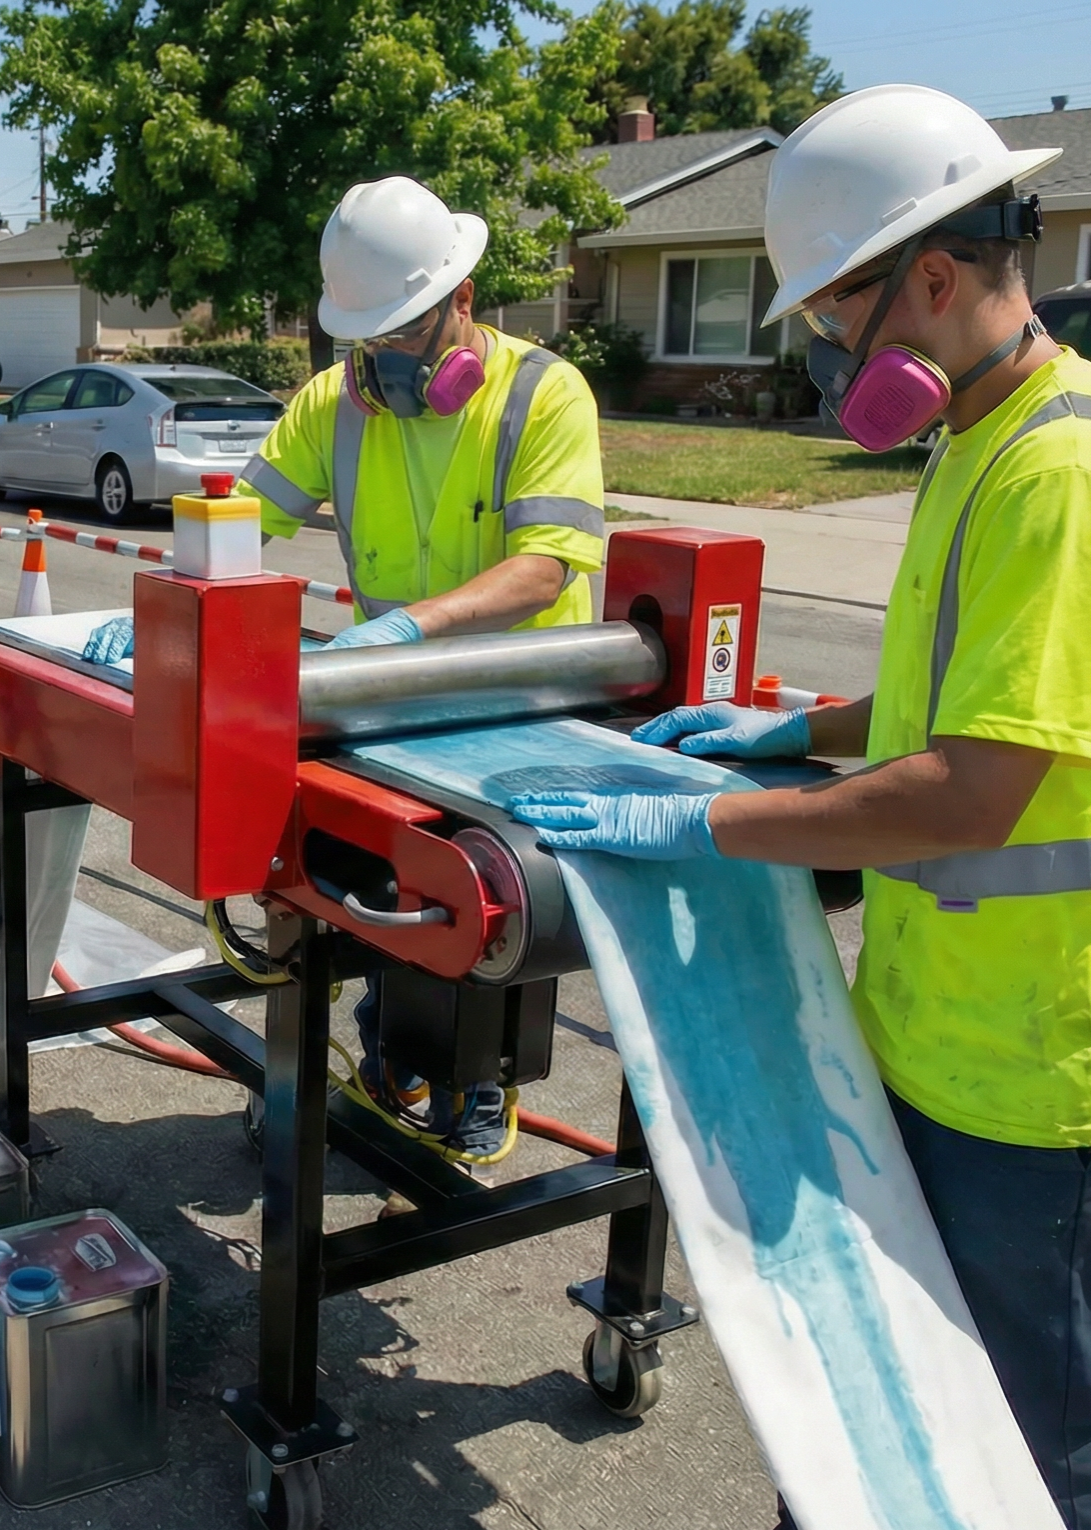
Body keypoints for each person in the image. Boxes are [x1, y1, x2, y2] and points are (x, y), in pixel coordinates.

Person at [511, 84, 1091, 1529]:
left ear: (935, 280)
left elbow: (966, 787)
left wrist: (697, 822)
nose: (835, 358)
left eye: (838, 319)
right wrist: (799, 725)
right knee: (899, 1422)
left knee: (1018, 1454)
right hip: (940, 1039)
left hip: (1035, 1086)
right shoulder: (980, 442)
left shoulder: (1057, 474)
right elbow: (956, 699)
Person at [241, 175, 605, 1168]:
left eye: (413, 330)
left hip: (522, 712)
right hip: (386, 714)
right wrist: (192, 587)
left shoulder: (543, 394)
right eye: (377, 339)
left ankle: (475, 1083)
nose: (395, 359)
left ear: (466, 300)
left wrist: (405, 632)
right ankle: (365, 1057)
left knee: (489, 922)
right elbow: (241, 520)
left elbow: (544, 569)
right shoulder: (335, 405)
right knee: (357, 891)